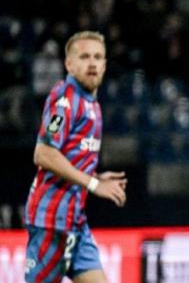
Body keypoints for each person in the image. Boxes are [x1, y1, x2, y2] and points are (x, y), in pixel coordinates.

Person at [24, 31, 127, 283]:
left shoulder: (93, 104)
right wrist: (93, 184)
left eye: (97, 57)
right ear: (69, 64)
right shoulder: (65, 98)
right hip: (50, 220)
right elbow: (44, 153)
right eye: (84, 57)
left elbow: (68, 156)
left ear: (104, 64)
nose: (92, 63)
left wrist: (94, 175)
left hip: (75, 221)